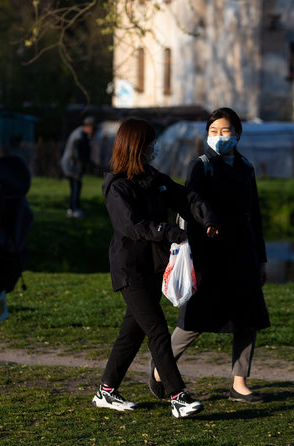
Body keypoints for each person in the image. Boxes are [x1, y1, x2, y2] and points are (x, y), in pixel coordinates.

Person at [94, 118, 218, 419]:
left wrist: (208, 217)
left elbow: (183, 197)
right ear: (136, 146)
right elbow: (133, 225)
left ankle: (106, 392)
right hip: (129, 270)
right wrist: (168, 232)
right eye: (149, 143)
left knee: (131, 334)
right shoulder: (117, 186)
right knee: (157, 331)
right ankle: (178, 397)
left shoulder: (152, 178)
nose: (154, 147)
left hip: (152, 266)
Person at [149, 107, 270, 404]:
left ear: (238, 134)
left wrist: (261, 259)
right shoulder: (200, 167)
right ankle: (159, 369)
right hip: (210, 253)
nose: (220, 137)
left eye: (226, 131)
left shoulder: (246, 167)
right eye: (213, 132)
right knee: (194, 320)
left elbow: (254, 215)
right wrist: (197, 264)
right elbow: (189, 212)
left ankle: (239, 384)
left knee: (247, 319)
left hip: (243, 254)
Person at [61, 116, 94, 218]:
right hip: (72, 165)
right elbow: (77, 154)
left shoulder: (82, 134)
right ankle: (75, 209)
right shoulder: (79, 136)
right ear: (88, 126)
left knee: (74, 187)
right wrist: (86, 162)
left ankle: (71, 209)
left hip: (73, 164)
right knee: (76, 186)